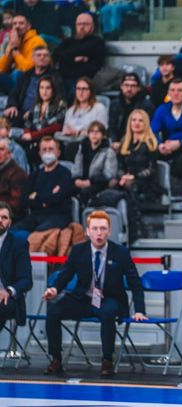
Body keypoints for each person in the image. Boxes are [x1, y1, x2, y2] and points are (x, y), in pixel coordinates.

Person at [42, 210, 147, 376]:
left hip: (110, 298)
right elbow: (65, 275)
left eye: (103, 229)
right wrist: (54, 289)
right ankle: (56, 359)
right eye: (95, 228)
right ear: (87, 231)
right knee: (53, 311)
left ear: (109, 231)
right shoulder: (78, 250)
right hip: (83, 298)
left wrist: (140, 310)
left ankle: (107, 360)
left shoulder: (121, 253)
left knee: (107, 312)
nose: (99, 233)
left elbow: (135, 283)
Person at [117, 109, 161, 240]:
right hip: (127, 180)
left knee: (132, 188)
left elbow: (152, 169)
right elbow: (120, 166)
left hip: (146, 182)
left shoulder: (150, 142)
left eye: (140, 120)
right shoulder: (125, 141)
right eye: (134, 120)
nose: (136, 123)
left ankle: (136, 228)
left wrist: (134, 176)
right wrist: (123, 176)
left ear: (145, 123)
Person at [15, 136, 72, 232]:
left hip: (58, 216)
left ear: (58, 152)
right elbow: (24, 200)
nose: (47, 152)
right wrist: (47, 199)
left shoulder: (65, 173)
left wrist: (35, 196)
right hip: (35, 216)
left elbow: (58, 198)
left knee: (39, 233)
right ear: (40, 153)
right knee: (12, 232)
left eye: (51, 149)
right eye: (44, 150)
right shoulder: (34, 175)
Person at [4, 46, 64, 128]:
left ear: (49, 59)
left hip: (39, 114)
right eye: (39, 55)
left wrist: (33, 112)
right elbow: (14, 93)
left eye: (45, 55)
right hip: (21, 112)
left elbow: (58, 99)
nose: (42, 57)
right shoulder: (26, 75)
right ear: (33, 58)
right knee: (7, 119)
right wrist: (12, 105)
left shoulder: (55, 77)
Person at [52, 12, 106, 98]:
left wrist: (67, 58)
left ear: (92, 26)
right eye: (79, 24)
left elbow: (94, 65)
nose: (82, 27)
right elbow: (56, 54)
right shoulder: (69, 41)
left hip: (83, 79)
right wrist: (73, 58)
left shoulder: (97, 42)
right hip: (63, 78)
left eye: (85, 24)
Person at [0, 201, 32, 332]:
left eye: (4, 217)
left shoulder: (18, 244)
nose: (0, 220)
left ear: (10, 223)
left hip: (7, 298)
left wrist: (8, 291)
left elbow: (26, 280)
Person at [21, 75, 66, 166]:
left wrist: (33, 135)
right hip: (33, 140)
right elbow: (27, 124)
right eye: (41, 88)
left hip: (50, 141)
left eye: (48, 88)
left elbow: (55, 127)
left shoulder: (60, 105)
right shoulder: (36, 105)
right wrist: (27, 134)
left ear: (53, 90)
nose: (44, 91)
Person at [60, 76, 107, 160]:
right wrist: (67, 132)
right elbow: (65, 132)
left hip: (90, 147)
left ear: (91, 91)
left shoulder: (99, 108)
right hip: (70, 146)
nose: (81, 92)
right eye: (78, 89)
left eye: (84, 89)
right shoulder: (70, 111)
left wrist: (78, 132)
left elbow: (102, 132)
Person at [72, 121, 117, 205]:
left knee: (85, 192)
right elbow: (77, 166)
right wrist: (76, 179)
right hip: (81, 181)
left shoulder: (108, 151)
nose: (94, 134)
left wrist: (91, 181)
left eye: (97, 132)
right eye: (92, 131)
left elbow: (109, 174)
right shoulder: (82, 148)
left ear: (103, 135)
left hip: (99, 183)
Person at [0, 13, 46, 93]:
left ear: (28, 26)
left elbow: (30, 70)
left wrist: (15, 51)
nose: (17, 26)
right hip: (16, 81)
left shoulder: (37, 42)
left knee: (18, 73)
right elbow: (2, 69)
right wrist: (10, 47)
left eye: (21, 23)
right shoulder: (13, 41)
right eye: (14, 24)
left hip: (31, 82)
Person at [109, 72, 154, 151]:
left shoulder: (147, 105)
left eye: (133, 86)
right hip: (119, 142)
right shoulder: (114, 104)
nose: (129, 89)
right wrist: (114, 140)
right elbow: (112, 126)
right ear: (121, 87)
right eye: (126, 85)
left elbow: (149, 128)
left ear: (138, 88)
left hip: (140, 142)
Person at [0, 139, 27, 220]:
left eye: (2, 149)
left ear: (9, 153)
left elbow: (16, 204)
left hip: (10, 215)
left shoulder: (18, 173)